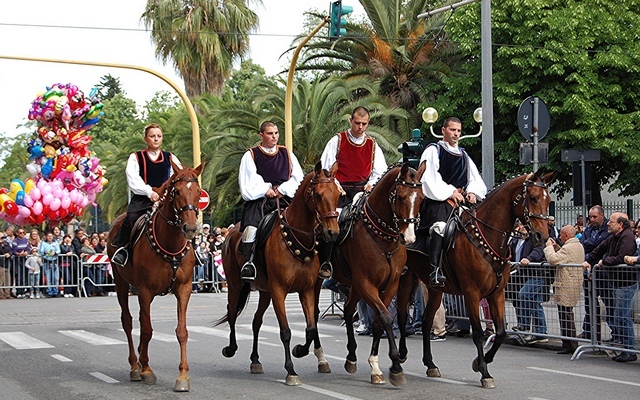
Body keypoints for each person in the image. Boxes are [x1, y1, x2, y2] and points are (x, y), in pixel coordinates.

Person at [318, 106, 387, 278]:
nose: (360, 127)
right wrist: (335, 184)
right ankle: (326, 261)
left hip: (363, 192)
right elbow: (326, 170)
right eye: (357, 123)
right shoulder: (337, 141)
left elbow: (381, 172)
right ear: (351, 121)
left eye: (364, 124)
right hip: (340, 192)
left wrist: (372, 184)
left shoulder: (372, 145)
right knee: (333, 222)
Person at [417, 117, 487, 286]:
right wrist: (450, 192)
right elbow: (429, 178)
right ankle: (434, 271)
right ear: (443, 130)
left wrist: (472, 192)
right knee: (440, 228)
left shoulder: (464, 155)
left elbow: (475, 179)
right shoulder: (433, 150)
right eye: (452, 130)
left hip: (461, 202)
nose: (456, 134)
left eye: (458, 131)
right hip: (439, 201)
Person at [238, 121, 304, 280]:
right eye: (270, 133)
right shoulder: (251, 155)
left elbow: (298, 178)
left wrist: (283, 189)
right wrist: (264, 190)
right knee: (251, 229)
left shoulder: (287, 153)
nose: (274, 136)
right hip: (260, 201)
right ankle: (249, 263)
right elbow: (247, 182)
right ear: (261, 135)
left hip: (285, 198)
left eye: (276, 133)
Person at [111, 123, 182, 267]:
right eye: (152, 136)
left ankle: (192, 251)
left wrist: (165, 193)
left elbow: (179, 176)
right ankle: (122, 249)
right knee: (131, 218)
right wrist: (149, 192)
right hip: (142, 199)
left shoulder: (170, 157)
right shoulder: (136, 157)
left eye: (159, 136)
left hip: (165, 200)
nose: (156, 139)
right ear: (145, 139)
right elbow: (132, 178)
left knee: (184, 219)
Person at [582, 212, 636, 359]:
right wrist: (589, 260)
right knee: (619, 316)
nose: (607, 223)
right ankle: (627, 349)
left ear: (620, 225)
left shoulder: (627, 237)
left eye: (611, 222)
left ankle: (630, 350)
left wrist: (604, 262)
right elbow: (599, 249)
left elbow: (622, 257)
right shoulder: (613, 237)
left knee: (622, 316)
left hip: (626, 283)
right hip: (617, 282)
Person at [543, 225, 585, 354]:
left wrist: (549, 247)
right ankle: (567, 343)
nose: (559, 237)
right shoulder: (577, 245)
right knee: (566, 313)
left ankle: (570, 344)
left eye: (561, 235)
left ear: (566, 235)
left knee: (566, 314)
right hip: (572, 282)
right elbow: (564, 256)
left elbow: (553, 259)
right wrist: (556, 248)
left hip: (566, 283)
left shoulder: (568, 247)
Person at [578, 205, 610, 339]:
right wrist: (589, 244)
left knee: (609, 302)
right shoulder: (589, 229)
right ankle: (589, 330)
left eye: (595, 217)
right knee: (589, 302)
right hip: (589, 270)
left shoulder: (608, 228)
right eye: (590, 217)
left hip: (603, 271)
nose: (592, 219)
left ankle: (617, 332)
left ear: (602, 216)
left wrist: (589, 244)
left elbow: (599, 243)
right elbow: (581, 243)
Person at [38, 231, 61, 298]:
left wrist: (55, 253)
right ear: (46, 237)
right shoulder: (43, 243)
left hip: (55, 261)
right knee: (48, 278)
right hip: (47, 261)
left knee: (56, 278)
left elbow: (58, 250)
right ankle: (49, 291)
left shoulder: (56, 243)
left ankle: (55, 291)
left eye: (51, 236)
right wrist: (45, 252)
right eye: (48, 236)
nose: (50, 237)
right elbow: (41, 251)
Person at [11, 228, 29, 298]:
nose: (22, 234)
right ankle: (19, 291)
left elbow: (28, 248)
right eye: (20, 233)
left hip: (24, 259)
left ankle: (23, 291)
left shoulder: (26, 240)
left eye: (23, 233)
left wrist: (26, 252)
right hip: (17, 259)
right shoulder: (15, 241)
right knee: (19, 276)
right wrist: (19, 254)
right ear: (17, 234)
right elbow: (14, 250)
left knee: (24, 276)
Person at [0, 233, 13, 299]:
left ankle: (7, 294)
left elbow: (11, 250)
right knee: (1, 280)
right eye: (1, 237)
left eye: (3, 237)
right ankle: (1, 294)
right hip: (0, 264)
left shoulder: (6, 244)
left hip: (7, 264)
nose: (3, 239)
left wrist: (9, 254)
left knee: (7, 280)